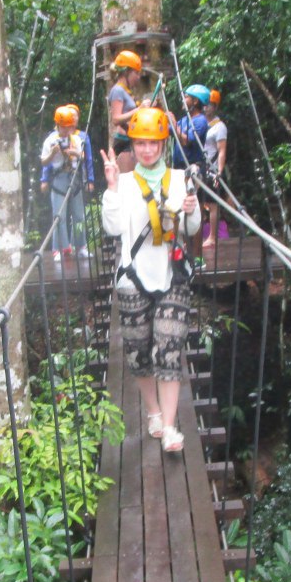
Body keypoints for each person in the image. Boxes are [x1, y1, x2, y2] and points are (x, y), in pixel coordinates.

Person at [101, 106, 202, 454]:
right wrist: (112, 188)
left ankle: (171, 427)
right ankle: (153, 412)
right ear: (134, 144)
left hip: (172, 275)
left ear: (163, 144)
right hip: (133, 277)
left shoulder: (179, 178)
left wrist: (192, 208)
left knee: (169, 349)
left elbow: (191, 229)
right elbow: (112, 229)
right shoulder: (125, 183)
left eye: (153, 143)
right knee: (138, 352)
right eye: (140, 143)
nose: (147, 149)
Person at [40, 104, 91, 262]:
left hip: (74, 179)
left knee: (79, 217)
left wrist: (75, 152)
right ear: (58, 125)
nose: (66, 131)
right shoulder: (50, 141)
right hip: (59, 179)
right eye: (63, 127)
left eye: (69, 127)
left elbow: (83, 157)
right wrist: (53, 154)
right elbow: (44, 162)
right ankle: (60, 249)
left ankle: (81, 246)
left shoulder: (75, 139)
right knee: (59, 217)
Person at [107, 50, 147, 163]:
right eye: (136, 73)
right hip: (123, 142)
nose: (138, 77)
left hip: (130, 139)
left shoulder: (125, 91)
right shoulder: (118, 90)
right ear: (127, 72)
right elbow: (116, 118)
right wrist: (139, 109)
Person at [201, 88, 229, 247]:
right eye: (205, 104)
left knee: (212, 204)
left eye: (210, 105)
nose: (206, 108)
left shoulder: (219, 127)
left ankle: (212, 236)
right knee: (198, 202)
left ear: (215, 107)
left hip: (212, 169)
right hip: (200, 168)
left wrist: (219, 172)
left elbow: (221, 151)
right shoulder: (199, 123)